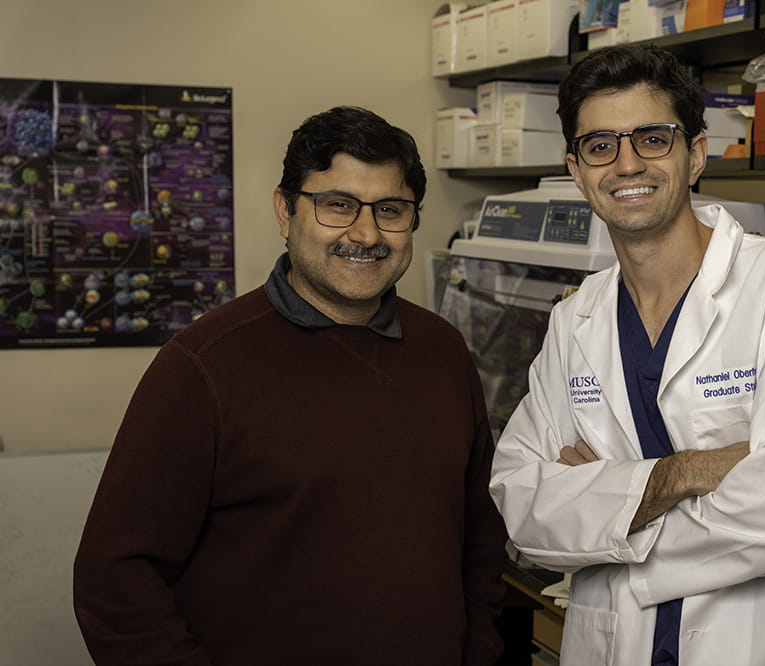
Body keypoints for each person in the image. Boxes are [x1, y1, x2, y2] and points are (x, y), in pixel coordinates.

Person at [74, 106, 508, 666]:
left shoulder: (444, 353)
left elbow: (480, 538)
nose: (366, 233)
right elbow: (115, 576)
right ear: (286, 211)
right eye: (338, 205)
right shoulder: (201, 366)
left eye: (391, 210)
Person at [489, 44, 765, 666]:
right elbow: (525, 512)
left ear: (694, 155)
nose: (627, 163)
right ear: (577, 169)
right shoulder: (574, 320)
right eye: (600, 145)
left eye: (652, 138)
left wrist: (604, 506)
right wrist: (686, 474)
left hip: (758, 644)